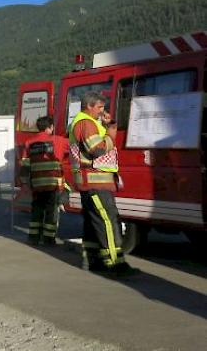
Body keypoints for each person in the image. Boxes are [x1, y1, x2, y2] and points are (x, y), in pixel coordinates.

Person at [69, 91, 139, 277]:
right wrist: (111, 133)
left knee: (94, 222)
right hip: (95, 182)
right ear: (89, 106)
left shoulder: (86, 122)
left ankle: (93, 259)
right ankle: (115, 263)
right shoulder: (86, 123)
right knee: (108, 220)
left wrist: (109, 126)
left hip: (91, 181)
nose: (102, 111)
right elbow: (97, 149)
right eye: (99, 107)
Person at [21, 116, 68, 246]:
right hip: (53, 184)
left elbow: (25, 165)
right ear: (51, 127)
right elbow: (74, 149)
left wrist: (25, 183)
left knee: (37, 209)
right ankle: (48, 239)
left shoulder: (29, 142)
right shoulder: (59, 141)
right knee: (51, 211)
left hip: (36, 183)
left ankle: (33, 237)